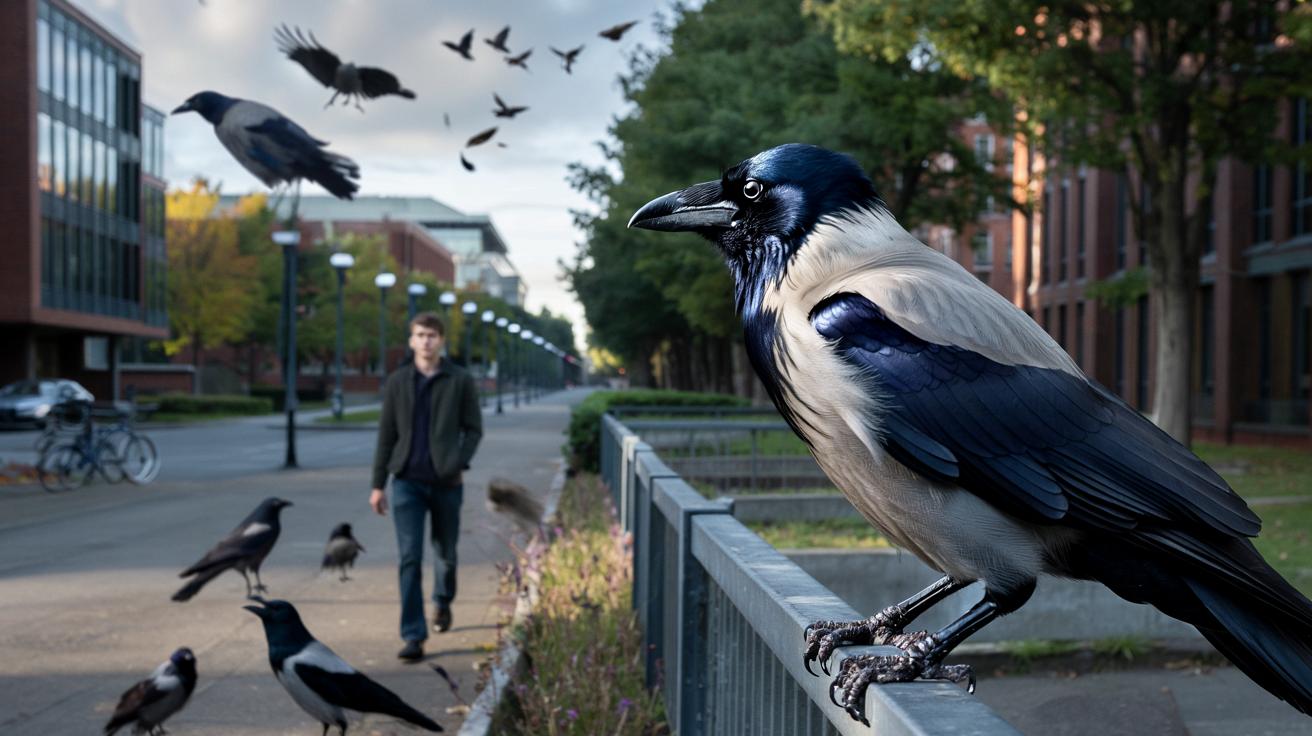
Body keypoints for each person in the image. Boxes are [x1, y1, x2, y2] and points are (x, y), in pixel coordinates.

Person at [370, 311, 483, 662]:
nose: (426, 341)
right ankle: (414, 635)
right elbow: (386, 436)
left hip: (447, 483)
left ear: (441, 340)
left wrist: (458, 462)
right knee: (409, 559)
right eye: (420, 335)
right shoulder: (398, 382)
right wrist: (378, 485)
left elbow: (473, 428)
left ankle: (443, 601)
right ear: (411, 340)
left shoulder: (459, 379)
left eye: (432, 335)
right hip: (406, 482)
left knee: (446, 555)